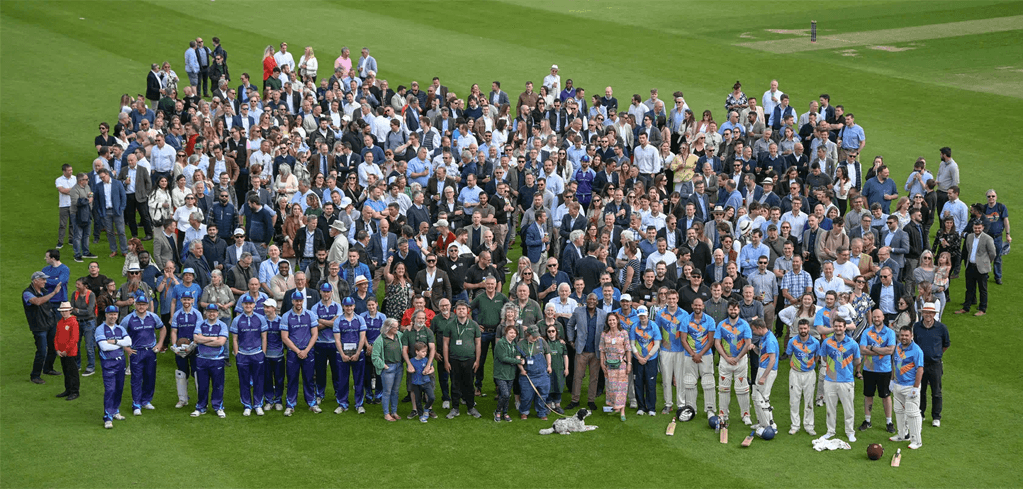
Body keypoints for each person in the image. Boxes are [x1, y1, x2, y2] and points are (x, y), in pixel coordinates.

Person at [120, 294, 165, 416]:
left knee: (150, 376)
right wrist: (126, 348)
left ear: (147, 306)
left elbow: (163, 328)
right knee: (136, 378)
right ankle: (136, 404)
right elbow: (119, 334)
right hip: (136, 352)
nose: (141, 307)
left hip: (150, 351)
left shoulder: (153, 317)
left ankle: (146, 401)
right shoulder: (128, 319)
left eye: (143, 305)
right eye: (139, 304)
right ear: (135, 305)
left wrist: (160, 344)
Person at [820, 316, 862, 442]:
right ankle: (830, 431)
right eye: (836, 326)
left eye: (840, 326)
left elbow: (858, 360)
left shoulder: (853, 344)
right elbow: (823, 358)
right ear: (833, 327)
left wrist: (845, 366)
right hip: (830, 380)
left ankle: (850, 432)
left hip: (847, 380)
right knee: (830, 408)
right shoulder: (827, 342)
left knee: (848, 408)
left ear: (845, 328)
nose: (838, 328)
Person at [858, 309, 897, 433]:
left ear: (883, 317)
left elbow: (890, 350)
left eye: (878, 317)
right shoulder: (867, 332)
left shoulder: (890, 333)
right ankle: (867, 421)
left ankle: (889, 422)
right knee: (868, 395)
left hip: (884, 370)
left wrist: (873, 348)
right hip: (869, 369)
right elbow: (862, 350)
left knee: (886, 396)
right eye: (874, 317)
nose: (876, 319)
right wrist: (881, 351)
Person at [566, 293, 607, 411]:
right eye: (589, 299)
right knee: (577, 376)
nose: (592, 301)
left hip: (596, 351)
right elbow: (570, 325)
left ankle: (591, 400)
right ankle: (575, 400)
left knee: (594, 378)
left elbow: (606, 329)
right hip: (581, 350)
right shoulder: (578, 311)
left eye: (594, 299)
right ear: (586, 300)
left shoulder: (603, 314)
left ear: (597, 302)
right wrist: (571, 340)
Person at [715, 300, 753, 426]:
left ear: (739, 310)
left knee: (743, 389)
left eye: (735, 309)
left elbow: (748, 343)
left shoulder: (744, 324)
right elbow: (717, 343)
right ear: (728, 310)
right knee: (723, 388)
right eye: (731, 309)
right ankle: (723, 414)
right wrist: (726, 357)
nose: (733, 311)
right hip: (725, 361)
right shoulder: (721, 324)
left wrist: (737, 359)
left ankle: (746, 414)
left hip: (740, 361)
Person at [281, 291, 319, 415]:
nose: (298, 303)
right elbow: (285, 337)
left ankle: (312, 403)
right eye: (296, 301)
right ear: (292, 301)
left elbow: (315, 334)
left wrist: (306, 350)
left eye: (300, 300)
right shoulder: (286, 316)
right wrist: (298, 351)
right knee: (292, 379)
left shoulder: (310, 315)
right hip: (293, 352)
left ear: (303, 301)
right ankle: (290, 405)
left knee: (309, 379)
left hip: (308, 352)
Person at [444, 301, 482, 418]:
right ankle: (455, 408)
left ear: (468, 311)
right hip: (454, 359)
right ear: (455, 311)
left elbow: (478, 343)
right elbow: (445, 344)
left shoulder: (474, 325)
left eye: (463, 309)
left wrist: (477, 360)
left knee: (469, 384)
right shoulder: (450, 325)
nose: (461, 311)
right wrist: (446, 361)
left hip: (470, 359)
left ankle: (471, 407)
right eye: (459, 309)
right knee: (455, 384)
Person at [231, 295, 269, 416]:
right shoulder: (237, 320)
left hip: (257, 354)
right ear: (242, 305)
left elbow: (264, 337)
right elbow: (235, 339)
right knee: (244, 381)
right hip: (243, 354)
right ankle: (247, 405)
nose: (248, 306)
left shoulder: (260, 318)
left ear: (254, 305)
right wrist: (237, 354)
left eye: (250, 304)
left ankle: (258, 405)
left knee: (258, 380)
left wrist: (263, 353)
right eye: (246, 304)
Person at [913, 302, 949, 427]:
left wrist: (936, 354)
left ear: (934, 314)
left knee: (936, 392)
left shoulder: (941, 328)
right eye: (925, 312)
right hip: (920, 365)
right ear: (922, 313)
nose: (928, 315)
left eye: (930, 313)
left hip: (935, 364)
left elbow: (946, 345)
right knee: (920, 390)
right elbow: (915, 344)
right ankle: (921, 413)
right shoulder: (916, 327)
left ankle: (936, 416)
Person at [96, 305, 132, 428]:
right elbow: (104, 347)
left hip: (120, 362)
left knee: (119, 388)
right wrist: (121, 345)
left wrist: (115, 342)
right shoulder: (100, 329)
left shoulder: (120, 328)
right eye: (110, 314)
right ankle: (108, 417)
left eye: (115, 314)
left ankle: (115, 410)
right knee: (110, 389)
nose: (113, 316)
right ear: (106, 315)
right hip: (108, 363)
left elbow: (129, 342)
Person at [191, 303, 229, 418]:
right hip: (202, 359)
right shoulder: (200, 324)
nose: (212, 314)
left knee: (218, 385)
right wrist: (212, 338)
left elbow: (221, 342)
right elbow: (196, 339)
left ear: (218, 313)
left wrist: (203, 340)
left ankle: (218, 407)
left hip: (217, 359)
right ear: (205, 313)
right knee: (202, 385)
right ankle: (200, 407)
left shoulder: (222, 325)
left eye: (214, 312)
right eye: (209, 312)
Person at [24, 271, 62, 384]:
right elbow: (38, 302)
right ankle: (35, 376)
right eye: (43, 279)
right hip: (39, 327)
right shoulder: (27, 293)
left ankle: (48, 369)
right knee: (41, 351)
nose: (45, 281)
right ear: (35, 280)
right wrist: (54, 292)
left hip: (50, 324)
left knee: (53, 347)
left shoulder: (43, 291)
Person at [891, 325, 925, 449]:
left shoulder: (917, 350)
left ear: (911, 336)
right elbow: (894, 364)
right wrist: (892, 380)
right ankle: (902, 435)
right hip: (898, 385)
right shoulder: (898, 347)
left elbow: (920, 369)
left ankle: (917, 440)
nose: (904, 338)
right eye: (902, 335)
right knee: (899, 411)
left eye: (906, 335)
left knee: (912, 413)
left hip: (910, 386)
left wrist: (916, 387)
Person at [333, 296, 368, 414]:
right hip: (342, 355)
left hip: (358, 354)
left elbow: (362, 338)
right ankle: (342, 404)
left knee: (359, 380)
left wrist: (358, 353)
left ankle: (359, 404)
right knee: (342, 380)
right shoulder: (338, 321)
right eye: (346, 306)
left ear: (354, 306)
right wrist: (342, 354)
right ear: (343, 306)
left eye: (351, 305)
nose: (349, 308)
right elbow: (337, 340)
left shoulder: (360, 320)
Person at [654, 289, 687, 414]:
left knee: (680, 378)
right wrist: (661, 343)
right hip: (665, 350)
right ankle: (668, 404)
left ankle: (681, 404)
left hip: (680, 350)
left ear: (677, 299)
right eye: (669, 299)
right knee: (666, 378)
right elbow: (657, 331)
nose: (672, 301)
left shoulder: (684, 314)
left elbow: (687, 332)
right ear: (666, 299)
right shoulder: (660, 314)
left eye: (674, 299)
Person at [954, 220, 997, 316]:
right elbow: (968, 250)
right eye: (975, 228)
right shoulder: (969, 237)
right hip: (970, 266)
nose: (977, 229)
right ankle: (966, 307)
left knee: (983, 289)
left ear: (982, 228)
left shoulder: (987, 238)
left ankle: (982, 309)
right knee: (969, 288)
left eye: (979, 228)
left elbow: (993, 253)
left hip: (982, 268)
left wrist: (986, 262)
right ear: (973, 228)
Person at [786, 318, 820, 435]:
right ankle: (795, 425)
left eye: (805, 328)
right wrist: (794, 365)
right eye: (801, 328)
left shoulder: (815, 342)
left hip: (809, 374)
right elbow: (789, 355)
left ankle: (809, 425)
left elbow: (817, 356)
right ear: (797, 329)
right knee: (794, 400)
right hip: (795, 374)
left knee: (809, 400)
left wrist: (810, 366)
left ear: (809, 328)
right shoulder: (792, 342)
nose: (803, 330)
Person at [310, 284, 341, 407]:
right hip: (320, 343)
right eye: (324, 292)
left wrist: (321, 320)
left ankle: (338, 393)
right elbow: (315, 326)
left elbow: (336, 324)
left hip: (334, 343)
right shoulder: (315, 307)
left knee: (336, 371)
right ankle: (320, 394)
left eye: (328, 292)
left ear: (331, 292)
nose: (326, 294)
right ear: (320, 292)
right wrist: (330, 322)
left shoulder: (337, 306)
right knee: (320, 371)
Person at [170, 290, 200, 408]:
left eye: (189, 299)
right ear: (181, 300)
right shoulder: (177, 314)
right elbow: (174, 331)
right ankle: (182, 399)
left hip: (194, 347)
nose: (186, 302)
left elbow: (198, 332)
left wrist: (192, 345)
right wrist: (174, 346)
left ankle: (200, 399)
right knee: (181, 372)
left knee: (197, 372)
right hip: (180, 348)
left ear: (192, 300)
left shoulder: (197, 314)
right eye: (184, 299)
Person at [370, 318, 403, 421]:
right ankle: (386, 413)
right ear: (388, 327)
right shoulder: (380, 339)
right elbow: (374, 356)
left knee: (395, 391)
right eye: (395, 327)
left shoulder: (399, 335)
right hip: (388, 368)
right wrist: (384, 366)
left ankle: (394, 411)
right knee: (387, 391)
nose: (397, 328)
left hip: (399, 367)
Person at [600, 314, 631, 421]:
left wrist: (629, 364)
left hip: (621, 364)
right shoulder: (604, 334)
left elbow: (628, 349)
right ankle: (615, 407)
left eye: (613, 320)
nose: (612, 322)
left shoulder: (624, 333)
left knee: (621, 388)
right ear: (607, 322)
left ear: (617, 321)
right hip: (609, 364)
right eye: (610, 320)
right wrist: (602, 363)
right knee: (611, 387)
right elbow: (602, 349)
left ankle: (622, 411)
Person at [629, 306, 660, 416]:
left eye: (644, 315)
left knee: (650, 383)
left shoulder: (654, 326)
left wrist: (646, 358)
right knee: (638, 383)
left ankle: (651, 407)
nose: (642, 317)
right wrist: (638, 357)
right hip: (638, 359)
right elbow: (632, 344)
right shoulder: (634, 327)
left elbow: (657, 344)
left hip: (651, 359)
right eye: (640, 316)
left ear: (647, 315)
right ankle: (641, 407)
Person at [517, 326, 552, 420]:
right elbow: (517, 358)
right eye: (533, 337)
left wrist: (549, 366)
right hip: (528, 375)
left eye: (537, 336)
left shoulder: (541, 341)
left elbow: (548, 353)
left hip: (542, 374)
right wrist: (521, 369)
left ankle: (541, 413)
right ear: (527, 335)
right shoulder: (521, 344)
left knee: (543, 395)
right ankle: (524, 412)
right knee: (526, 396)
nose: (535, 338)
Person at [750, 318, 777, 430]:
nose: (753, 332)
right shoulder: (764, 338)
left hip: (768, 371)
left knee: (763, 398)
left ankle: (769, 426)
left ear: (759, 328)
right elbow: (762, 354)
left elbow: (772, 360)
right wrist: (754, 348)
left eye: (754, 330)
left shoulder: (770, 339)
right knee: (756, 396)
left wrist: (764, 376)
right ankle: (762, 422)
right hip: (762, 369)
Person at [982, 189, 1010, 285]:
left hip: (997, 237)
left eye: (993, 196)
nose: (991, 198)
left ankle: (998, 277)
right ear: (986, 198)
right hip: (986, 237)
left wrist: (1008, 234)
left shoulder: (1001, 207)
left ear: (996, 197)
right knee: (986, 256)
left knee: (997, 257)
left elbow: (1006, 221)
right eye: (989, 196)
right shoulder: (984, 208)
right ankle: (985, 274)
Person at [54, 302, 80, 400]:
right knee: (66, 372)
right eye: (62, 311)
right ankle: (68, 389)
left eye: (66, 311)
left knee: (73, 373)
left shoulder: (73, 322)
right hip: (62, 352)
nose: (64, 313)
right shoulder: (60, 322)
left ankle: (74, 392)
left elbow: (74, 339)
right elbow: (56, 337)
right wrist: (57, 349)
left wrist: (66, 350)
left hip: (70, 353)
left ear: (70, 311)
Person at [493, 325, 520, 422]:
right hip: (501, 374)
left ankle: (505, 413)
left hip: (511, 374)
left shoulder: (514, 344)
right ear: (506, 333)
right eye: (511, 333)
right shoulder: (501, 343)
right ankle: (497, 411)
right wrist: (519, 361)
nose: (513, 335)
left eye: (514, 333)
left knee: (506, 395)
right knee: (505, 394)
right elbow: (503, 358)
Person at [408, 341, 436, 423]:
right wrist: (411, 370)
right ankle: (421, 416)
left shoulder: (426, 360)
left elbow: (432, 368)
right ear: (417, 352)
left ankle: (426, 408)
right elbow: (408, 369)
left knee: (432, 397)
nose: (425, 353)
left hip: (426, 382)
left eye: (426, 351)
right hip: (416, 383)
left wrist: (428, 372)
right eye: (423, 352)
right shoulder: (412, 361)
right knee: (418, 400)